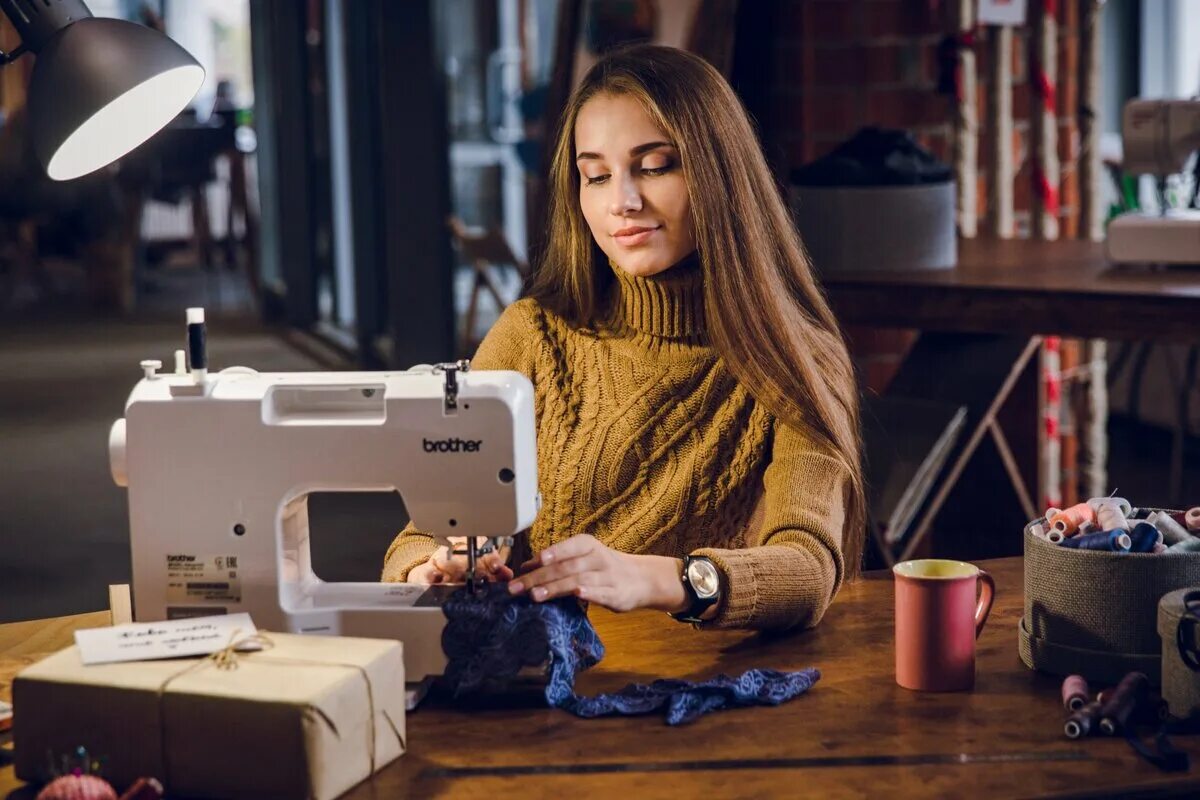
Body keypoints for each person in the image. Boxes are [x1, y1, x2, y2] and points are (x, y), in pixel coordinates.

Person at [383, 44, 864, 631]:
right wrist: (428, 571)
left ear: (718, 173)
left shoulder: (793, 358)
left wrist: (661, 580)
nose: (622, 202)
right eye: (597, 175)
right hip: (541, 685)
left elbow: (809, 568)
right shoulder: (532, 336)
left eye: (656, 165)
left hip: (694, 687)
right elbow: (422, 533)